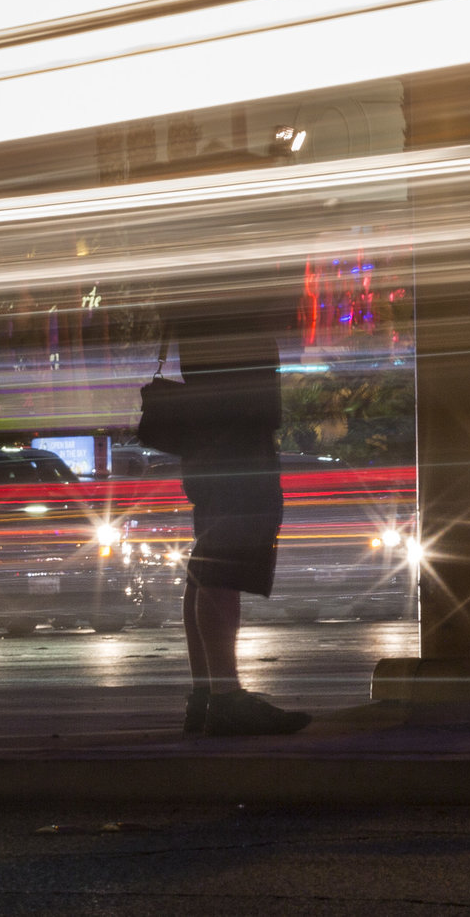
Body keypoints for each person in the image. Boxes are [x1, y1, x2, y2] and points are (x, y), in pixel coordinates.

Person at [173, 307, 311, 736]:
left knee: (208, 565)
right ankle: (226, 697)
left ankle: (208, 695)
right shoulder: (230, 314)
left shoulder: (199, 308)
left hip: (214, 450)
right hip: (237, 451)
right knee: (222, 569)